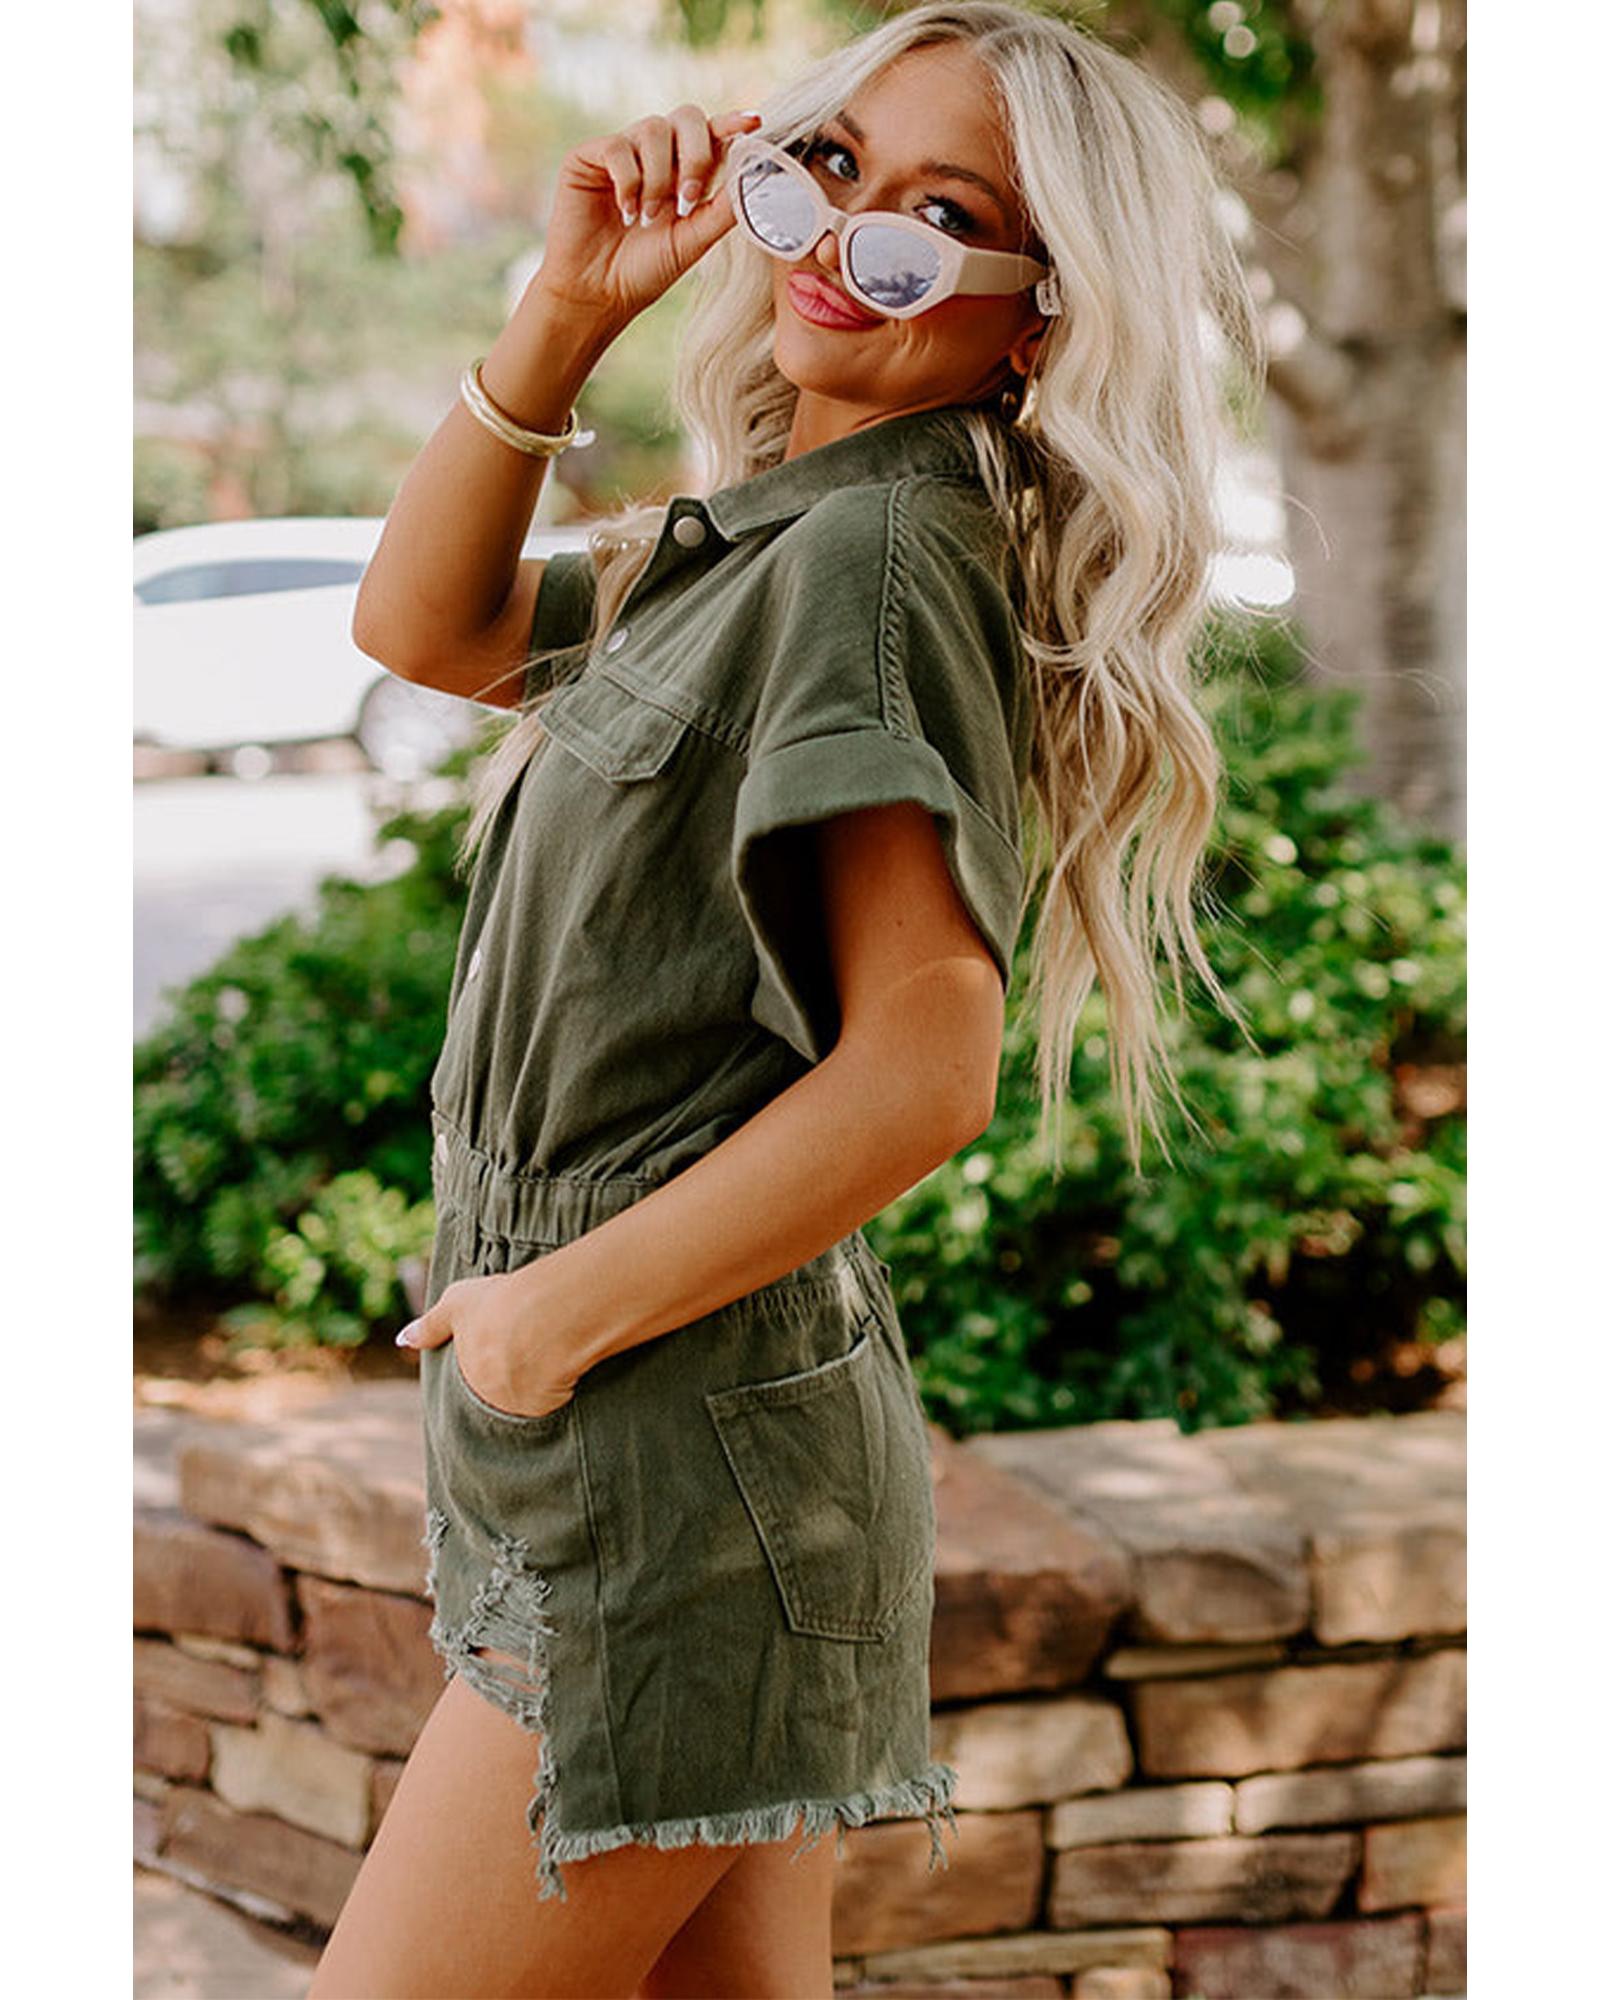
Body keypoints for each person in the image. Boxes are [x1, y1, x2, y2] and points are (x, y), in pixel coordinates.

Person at [312, 4, 1265, 1994]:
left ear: (1037, 318)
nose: (845, 239)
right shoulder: (768, 538)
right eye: (829, 167)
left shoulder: (873, 561)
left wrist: (542, 1324)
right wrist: (566, 311)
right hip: (675, 1441)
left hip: (663, 1462)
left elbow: (924, 1067)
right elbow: (425, 624)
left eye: (941, 220)